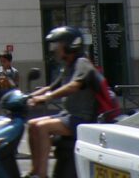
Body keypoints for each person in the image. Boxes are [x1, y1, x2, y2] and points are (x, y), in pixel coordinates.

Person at [27, 27, 100, 178]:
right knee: (32, 125)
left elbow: (74, 85)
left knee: (42, 128)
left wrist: (47, 98)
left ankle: (42, 174)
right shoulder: (68, 66)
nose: (54, 49)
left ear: (69, 45)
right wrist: (28, 97)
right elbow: (52, 87)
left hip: (81, 118)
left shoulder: (82, 63)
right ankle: (34, 170)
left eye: (57, 45)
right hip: (67, 115)